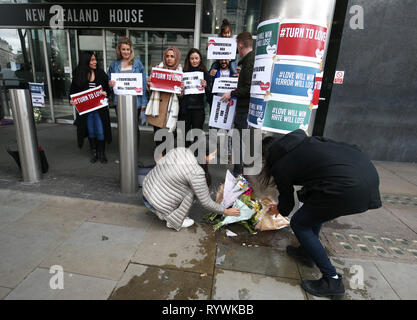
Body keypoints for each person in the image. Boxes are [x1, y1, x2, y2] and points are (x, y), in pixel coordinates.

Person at [260, 130, 382, 299]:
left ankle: (332, 281)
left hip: (348, 187)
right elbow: (343, 154)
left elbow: (288, 204)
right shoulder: (308, 143)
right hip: (366, 174)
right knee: (313, 210)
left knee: (299, 224)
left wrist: (278, 209)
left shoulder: (281, 163)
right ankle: (307, 253)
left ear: (267, 156)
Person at [142, 137, 240, 231]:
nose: (214, 157)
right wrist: (226, 211)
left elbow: (160, 162)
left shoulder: (180, 150)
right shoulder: (196, 172)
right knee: (191, 192)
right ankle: (172, 220)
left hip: (146, 191)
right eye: (212, 154)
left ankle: (163, 208)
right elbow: (206, 202)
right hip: (156, 202)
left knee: (180, 181)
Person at [107, 37, 149, 157]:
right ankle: (124, 155)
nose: (126, 52)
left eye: (128, 49)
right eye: (123, 49)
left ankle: (134, 154)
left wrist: (144, 102)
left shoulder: (137, 63)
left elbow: (143, 83)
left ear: (131, 51)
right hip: (119, 101)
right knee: (123, 129)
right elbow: (108, 81)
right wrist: (110, 84)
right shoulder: (114, 65)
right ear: (119, 50)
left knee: (134, 128)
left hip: (135, 101)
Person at [221, 31, 255, 175]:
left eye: (237, 46)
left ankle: (238, 174)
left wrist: (232, 93)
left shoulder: (249, 62)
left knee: (239, 142)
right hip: (245, 108)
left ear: (240, 45)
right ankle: (239, 173)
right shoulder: (250, 61)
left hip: (244, 109)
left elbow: (248, 88)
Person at [70, 51, 112, 164]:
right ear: (86, 61)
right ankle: (94, 152)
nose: (95, 62)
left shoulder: (101, 73)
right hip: (86, 111)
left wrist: (105, 93)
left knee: (100, 130)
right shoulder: (78, 74)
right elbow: (72, 92)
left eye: (95, 59)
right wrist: (72, 100)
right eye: (92, 60)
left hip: (100, 110)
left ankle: (101, 153)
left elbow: (108, 90)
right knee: (91, 131)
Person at [145, 46, 183, 154]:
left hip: (170, 112)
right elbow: (150, 90)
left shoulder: (180, 73)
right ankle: (159, 164)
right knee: (158, 141)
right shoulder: (158, 70)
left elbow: (181, 96)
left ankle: (166, 167)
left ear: (177, 58)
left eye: (172, 56)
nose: (169, 58)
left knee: (168, 142)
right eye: (167, 56)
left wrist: (182, 89)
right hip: (157, 111)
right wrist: (149, 82)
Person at [179, 48, 210, 141]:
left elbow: (209, 92)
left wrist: (206, 85)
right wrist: (181, 89)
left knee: (197, 134)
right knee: (185, 135)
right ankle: (185, 153)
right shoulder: (183, 73)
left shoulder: (205, 73)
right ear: (188, 60)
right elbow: (179, 93)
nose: (194, 60)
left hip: (198, 109)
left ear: (200, 59)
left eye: (196, 58)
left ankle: (196, 154)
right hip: (185, 109)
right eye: (192, 58)